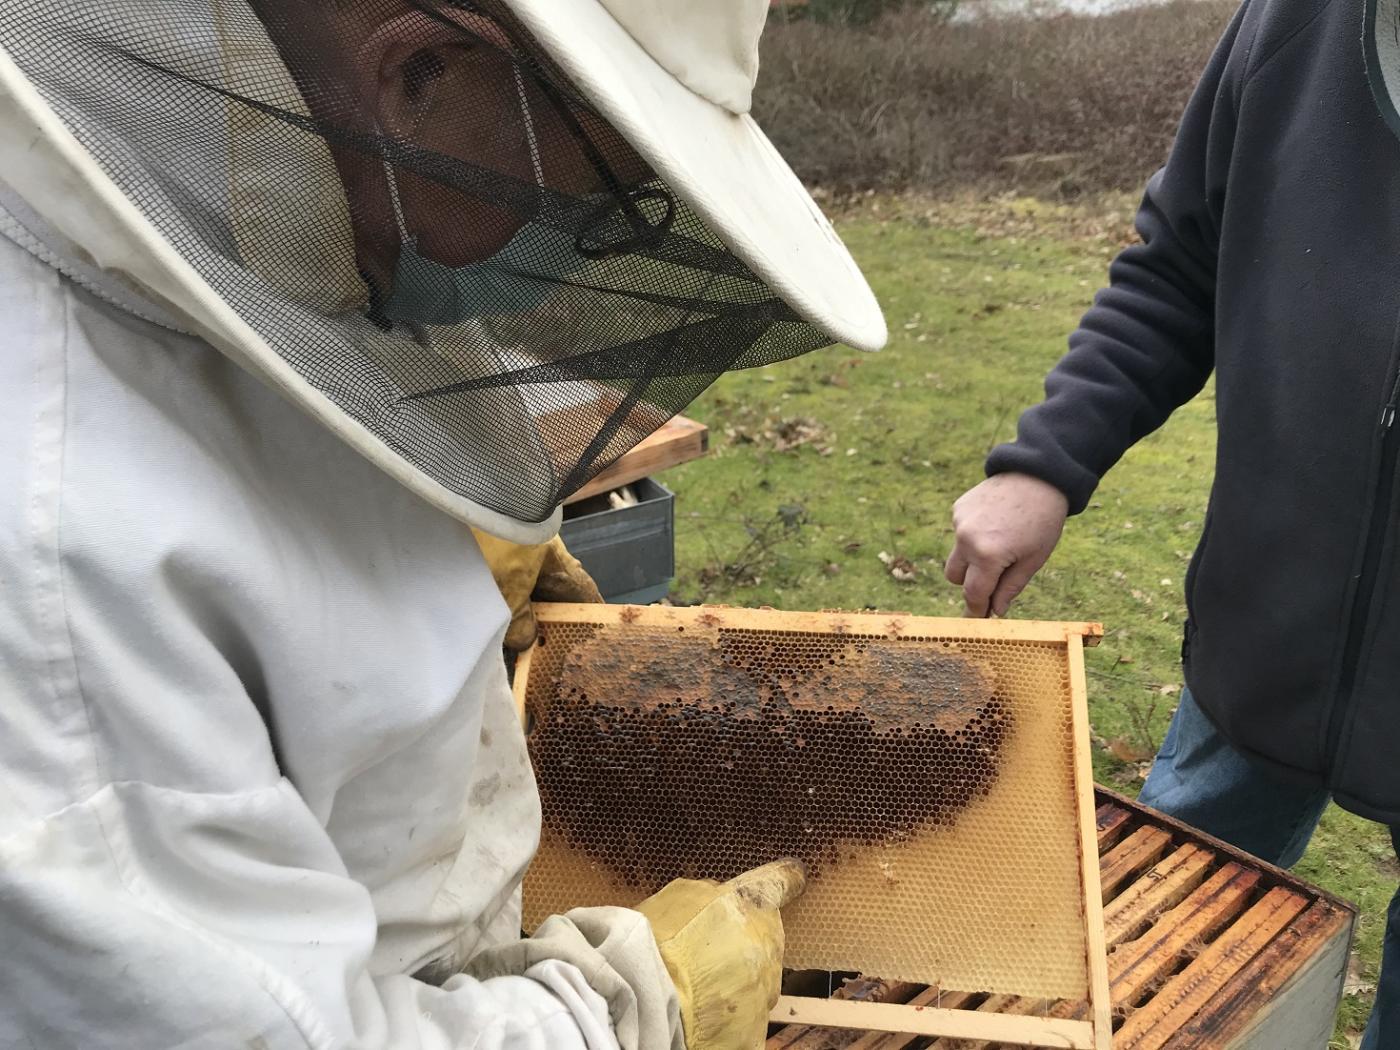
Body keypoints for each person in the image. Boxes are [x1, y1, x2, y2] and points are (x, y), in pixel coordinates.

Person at [0, 1, 886, 1047]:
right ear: (421, 72)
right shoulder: (54, 561)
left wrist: (440, 554)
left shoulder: (284, 194)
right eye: (597, 197)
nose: (584, 244)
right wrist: (629, 1013)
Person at [944, 0, 1400, 1043]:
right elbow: (1176, 266)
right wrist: (1045, 464)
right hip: (1255, 635)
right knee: (1136, 971)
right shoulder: (1292, 23)